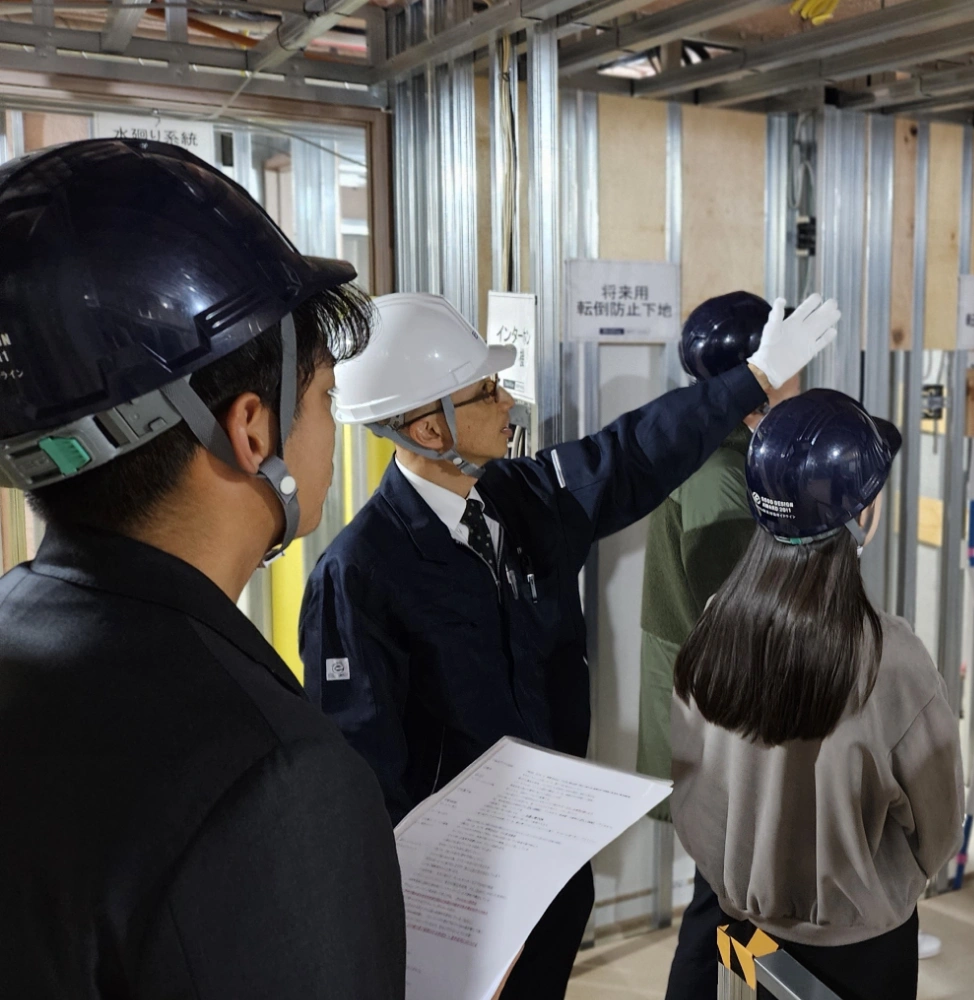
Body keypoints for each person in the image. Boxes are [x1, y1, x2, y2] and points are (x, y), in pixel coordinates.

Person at [299, 289, 840, 999]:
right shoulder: (362, 573)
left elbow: (631, 453)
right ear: (430, 428)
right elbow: (363, 783)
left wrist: (754, 378)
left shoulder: (519, 499)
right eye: (485, 391)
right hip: (463, 898)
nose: (507, 401)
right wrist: (424, 934)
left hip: (550, 867)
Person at [0, 139, 404, 997]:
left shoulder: (16, 628)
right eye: (325, 399)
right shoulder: (272, 783)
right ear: (251, 429)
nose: (332, 429)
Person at [670, 389, 964, 1000]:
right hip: (865, 950)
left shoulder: (715, 628)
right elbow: (938, 827)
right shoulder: (892, 659)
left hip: (744, 934)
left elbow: (697, 802)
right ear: (860, 514)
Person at [635, 289, 798, 999]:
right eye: (790, 364)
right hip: (720, 731)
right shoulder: (719, 475)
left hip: (719, 723)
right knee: (721, 903)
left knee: (726, 898)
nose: (801, 379)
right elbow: (740, 616)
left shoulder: (733, 452)